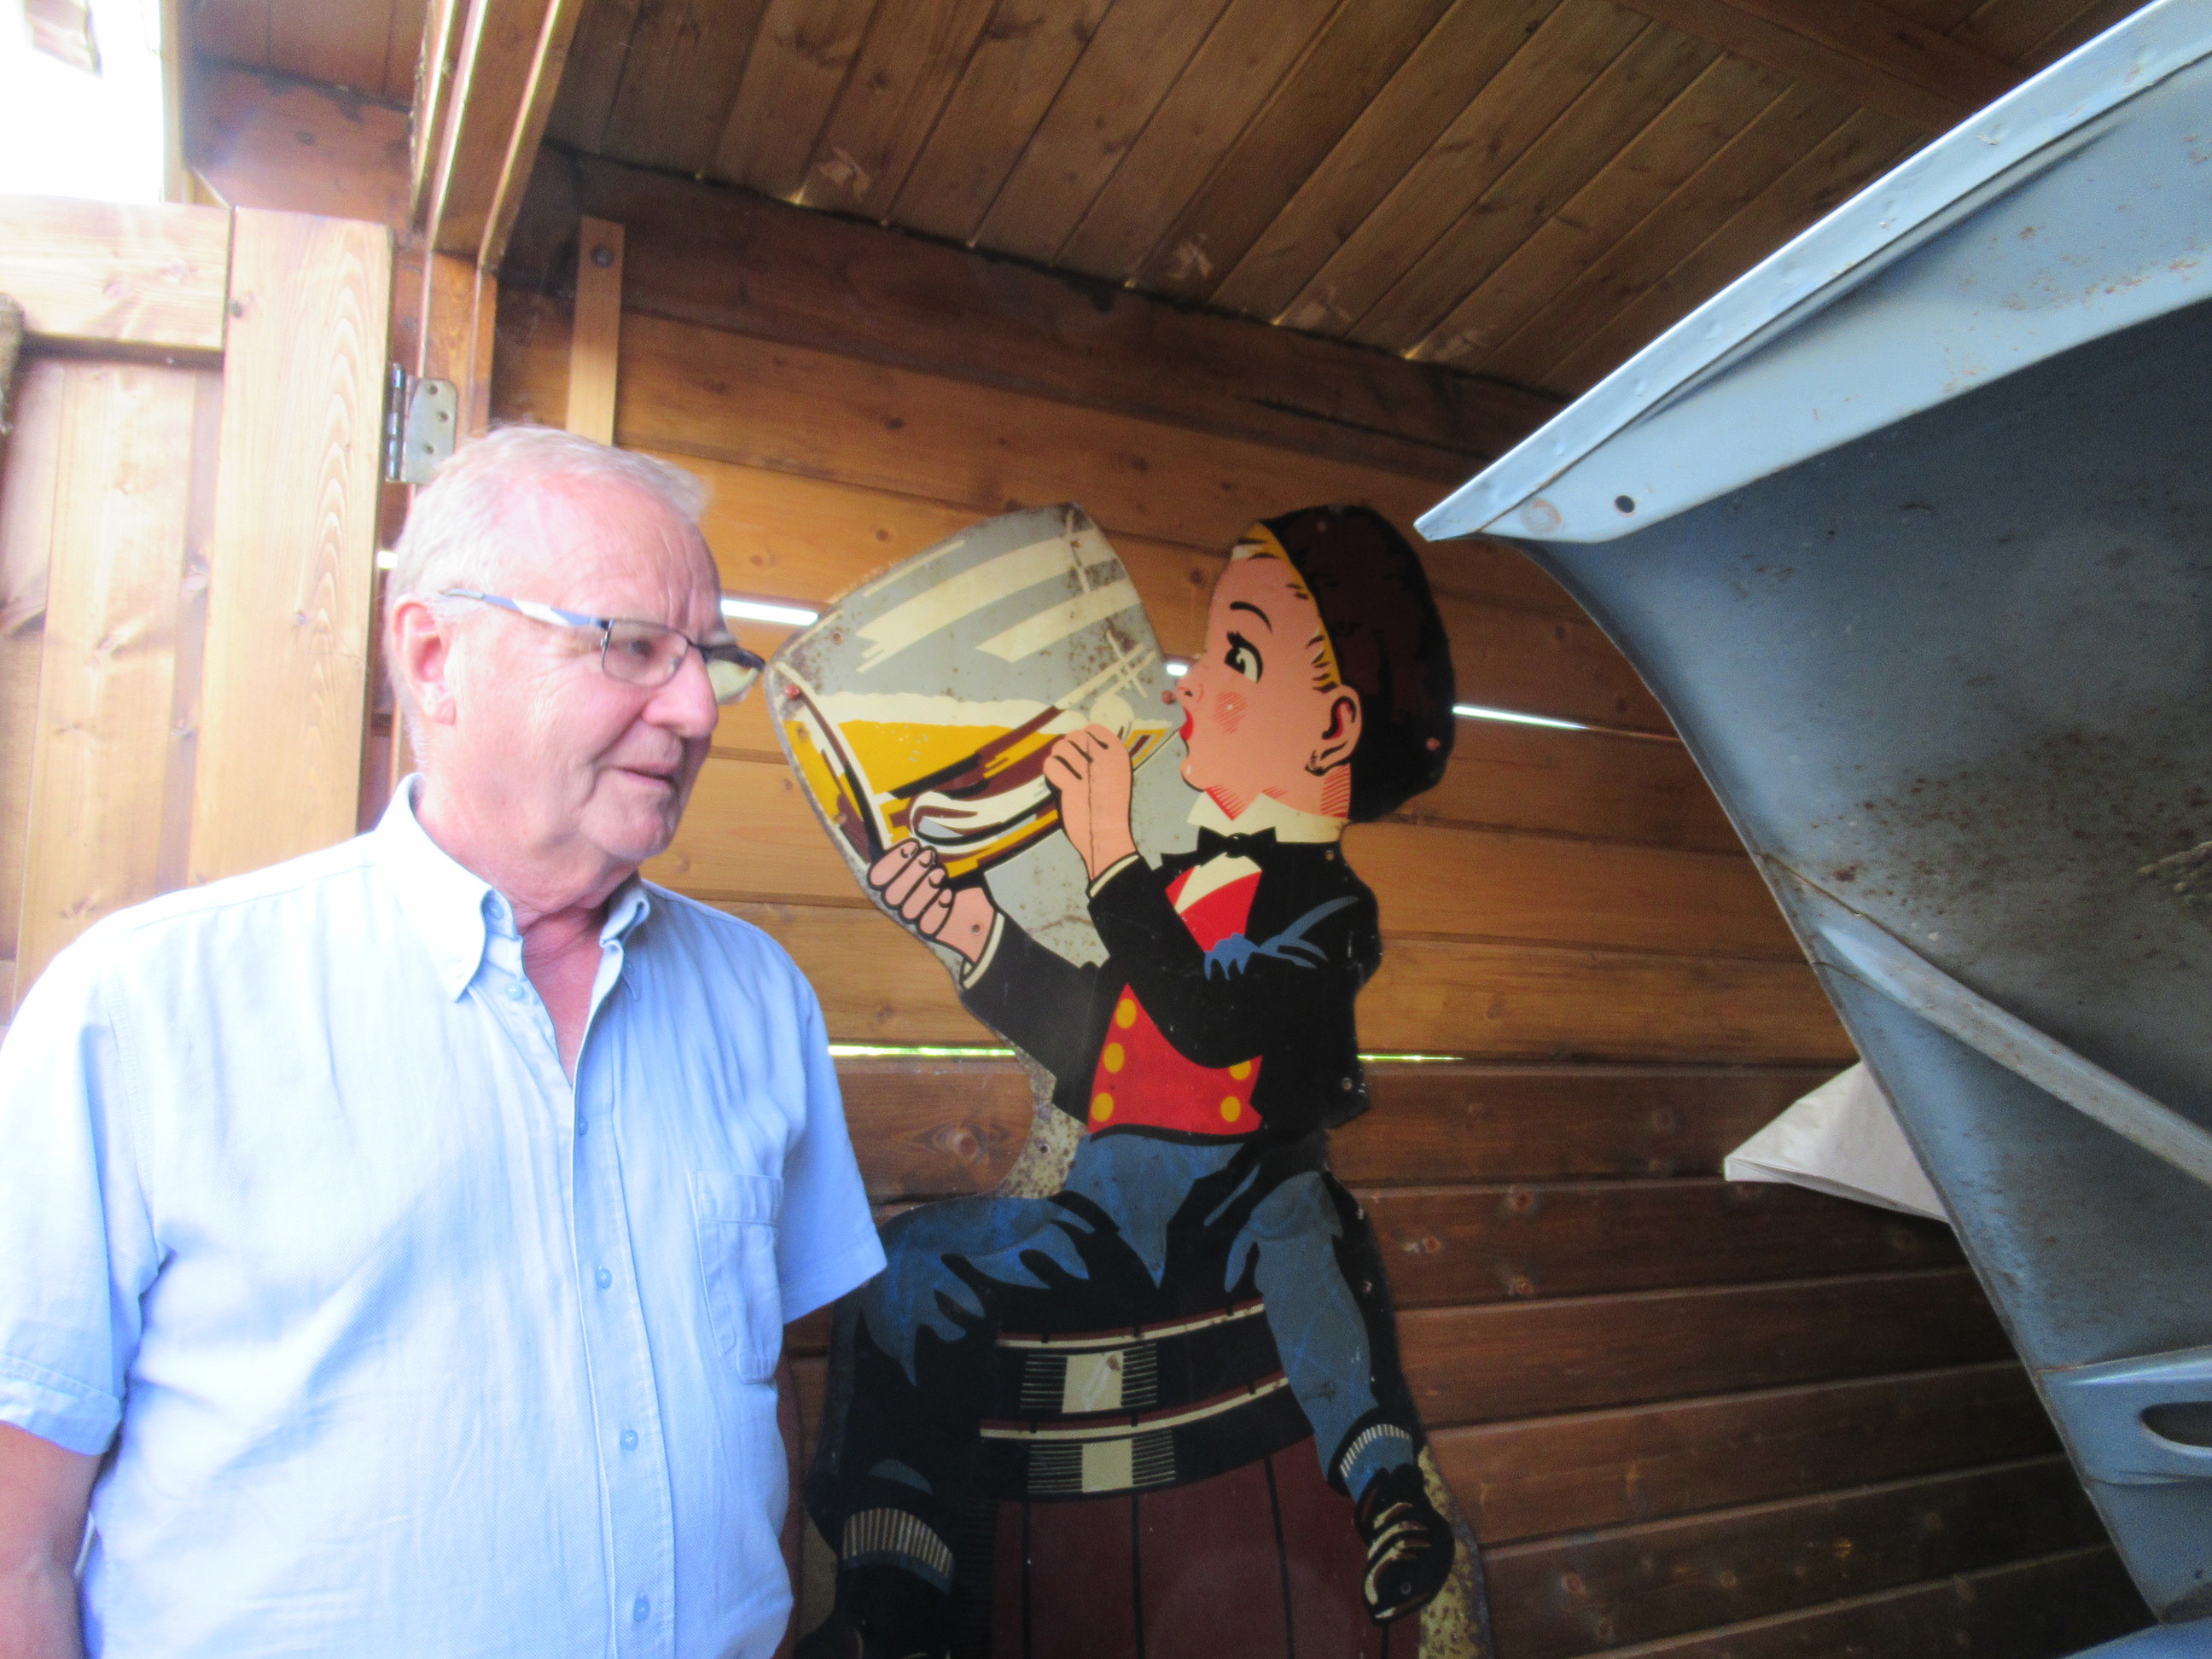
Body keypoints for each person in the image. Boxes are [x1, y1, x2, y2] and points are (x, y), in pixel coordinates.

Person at [0, 426, 885, 1659]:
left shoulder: (759, 999)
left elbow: (753, 1403)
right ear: (433, 657)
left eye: (710, 660)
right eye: (632, 645)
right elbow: (16, 1547)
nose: (694, 709)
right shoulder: (145, 1009)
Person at [803, 508, 1461, 1658]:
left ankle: (1383, 1485)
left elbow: (1212, 1022)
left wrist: (1108, 850)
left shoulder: (1328, 911)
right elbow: (1100, 1037)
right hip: (1111, 1218)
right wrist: (970, 928)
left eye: (1237, 655)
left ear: (1333, 728)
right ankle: (894, 1583)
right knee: (914, 1266)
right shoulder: (1179, 881)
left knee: (1313, 1244)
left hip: (1253, 1203)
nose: (1190, 682)